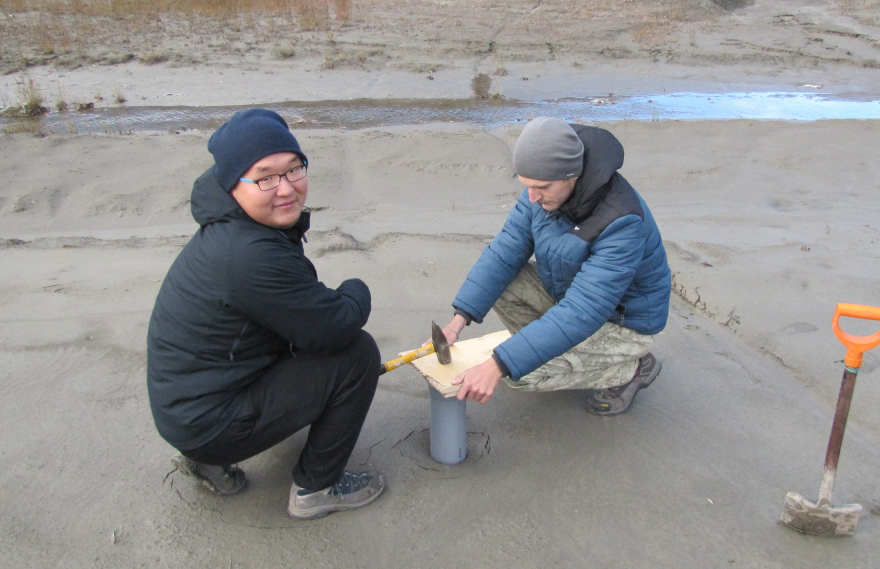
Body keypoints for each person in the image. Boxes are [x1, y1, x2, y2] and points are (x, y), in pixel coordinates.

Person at [147, 109, 385, 520]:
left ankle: (205, 458)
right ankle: (317, 487)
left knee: (299, 334)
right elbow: (335, 327)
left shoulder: (230, 227)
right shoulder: (246, 254)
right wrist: (356, 290)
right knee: (357, 355)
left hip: (185, 410)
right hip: (207, 422)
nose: (286, 188)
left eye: (294, 169)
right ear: (232, 184)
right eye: (265, 177)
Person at [439, 117, 671, 415]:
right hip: (574, 296)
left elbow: (583, 310)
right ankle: (566, 352)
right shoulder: (542, 186)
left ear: (570, 175)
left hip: (624, 322)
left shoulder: (621, 220)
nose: (532, 197)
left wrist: (498, 365)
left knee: (520, 376)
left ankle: (635, 366)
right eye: (527, 186)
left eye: (541, 188)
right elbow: (504, 251)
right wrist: (457, 323)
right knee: (503, 284)